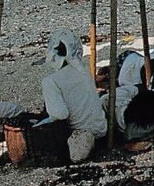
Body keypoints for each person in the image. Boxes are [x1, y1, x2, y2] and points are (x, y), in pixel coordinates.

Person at [39, 29, 107, 162]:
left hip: (78, 136)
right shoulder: (83, 71)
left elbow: (60, 114)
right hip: (101, 131)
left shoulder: (50, 81)